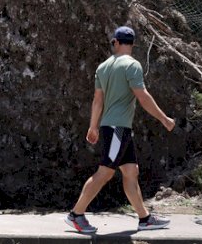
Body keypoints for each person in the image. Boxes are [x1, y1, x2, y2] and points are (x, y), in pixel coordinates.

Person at [65, 26, 176, 234]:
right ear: (132, 45)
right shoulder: (132, 65)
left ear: (115, 42)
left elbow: (98, 101)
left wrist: (93, 126)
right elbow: (142, 96)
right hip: (117, 129)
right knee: (105, 172)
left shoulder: (103, 67)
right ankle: (76, 215)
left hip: (115, 128)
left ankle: (145, 218)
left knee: (131, 171)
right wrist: (164, 119)